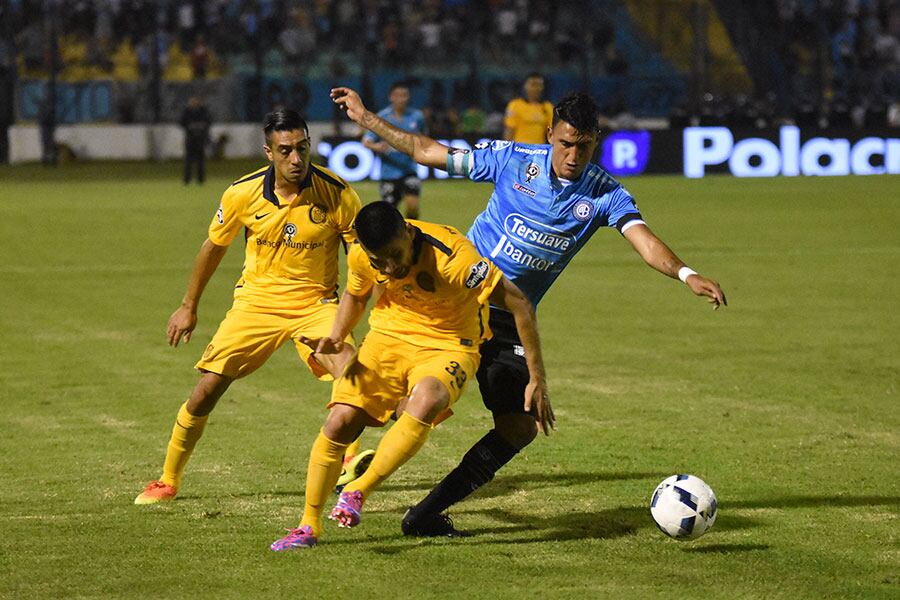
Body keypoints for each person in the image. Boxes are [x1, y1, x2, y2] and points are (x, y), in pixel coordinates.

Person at [330, 86, 727, 536]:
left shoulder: (605, 195)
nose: (574, 155)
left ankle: (423, 515)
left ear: (596, 142)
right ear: (550, 135)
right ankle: (342, 458)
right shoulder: (513, 159)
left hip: (507, 314)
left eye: (584, 145)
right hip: (455, 299)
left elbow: (644, 240)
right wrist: (366, 119)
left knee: (519, 427)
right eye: (565, 143)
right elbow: (428, 151)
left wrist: (686, 274)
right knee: (387, 403)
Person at [269, 202, 551, 550]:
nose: (390, 267)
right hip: (389, 337)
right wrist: (338, 335)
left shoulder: (455, 257)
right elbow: (356, 295)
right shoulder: (362, 253)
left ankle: (359, 490)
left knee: (428, 398)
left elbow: (519, 303)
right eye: (379, 261)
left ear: (407, 230)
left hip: (450, 344)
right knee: (340, 421)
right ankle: (307, 527)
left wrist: (536, 376)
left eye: (395, 255)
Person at [134, 109, 361, 505]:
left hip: (315, 304)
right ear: (268, 152)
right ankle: (168, 479)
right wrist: (189, 305)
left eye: (302, 148)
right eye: (286, 150)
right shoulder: (242, 192)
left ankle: (351, 464)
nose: (296, 159)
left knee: (350, 373)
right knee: (206, 391)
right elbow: (213, 247)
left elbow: (360, 256)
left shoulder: (337, 193)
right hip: (255, 304)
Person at [361, 81, 426, 218]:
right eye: (397, 95)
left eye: (404, 95)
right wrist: (378, 147)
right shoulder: (382, 117)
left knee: (413, 206)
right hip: (389, 173)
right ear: (391, 97)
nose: (401, 99)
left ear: (408, 97)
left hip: (409, 170)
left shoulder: (417, 117)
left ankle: (410, 232)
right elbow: (366, 141)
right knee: (390, 213)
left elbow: (424, 137)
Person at [502, 72, 553, 144]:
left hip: (538, 151)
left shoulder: (548, 107)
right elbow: (509, 131)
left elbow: (552, 132)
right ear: (525, 86)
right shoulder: (515, 105)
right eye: (533, 85)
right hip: (519, 150)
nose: (536, 88)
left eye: (539, 85)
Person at [180, 96, 212, 185]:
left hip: (200, 139)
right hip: (190, 139)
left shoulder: (203, 111)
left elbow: (208, 122)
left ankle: (201, 180)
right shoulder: (187, 111)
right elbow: (181, 122)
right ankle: (187, 179)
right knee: (188, 161)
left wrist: (201, 128)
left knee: (200, 160)